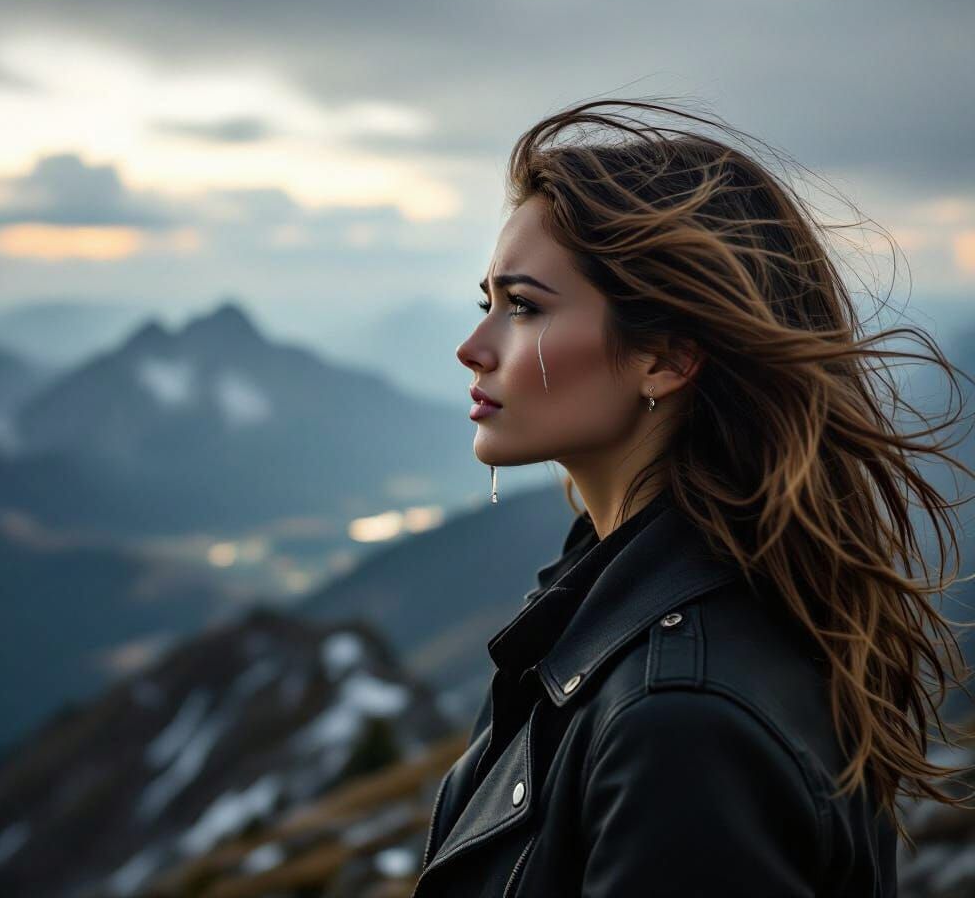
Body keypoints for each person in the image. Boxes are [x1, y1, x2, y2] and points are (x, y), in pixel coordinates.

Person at [411, 98, 975, 897]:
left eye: (525, 307)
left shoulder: (680, 723)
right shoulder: (606, 625)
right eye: (488, 303)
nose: (472, 348)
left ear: (668, 359)